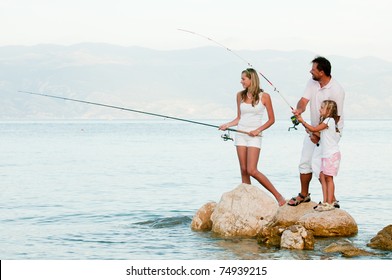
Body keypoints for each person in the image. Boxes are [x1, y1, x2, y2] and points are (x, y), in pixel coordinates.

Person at [219, 68, 286, 206]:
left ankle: (278, 196)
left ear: (251, 79)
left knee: (252, 170)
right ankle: (247, 200)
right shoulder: (239, 95)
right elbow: (239, 118)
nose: (241, 81)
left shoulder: (264, 96)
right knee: (243, 170)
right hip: (241, 134)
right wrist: (227, 125)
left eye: (243, 79)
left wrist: (257, 130)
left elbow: (271, 120)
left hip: (255, 136)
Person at [288, 56, 345, 207]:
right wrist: (300, 110)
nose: (310, 71)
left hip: (329, 134)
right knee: (305, 162)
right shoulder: (312, 82)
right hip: (313, 129)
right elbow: (303, 100)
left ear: (321, 72)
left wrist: (318, 135)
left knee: (321, 166)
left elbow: (336, 117)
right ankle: (304, 195)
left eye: (313, 69)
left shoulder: (337, 90)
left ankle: (330, 200)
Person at [296, 100, 341, 211]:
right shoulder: (326, 122)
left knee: (329, 179)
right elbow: (318, 134)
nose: (319, 109)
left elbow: (315, 129)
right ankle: (325, 201)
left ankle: (330, 202)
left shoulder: (329, 120)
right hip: (325, 155)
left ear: (329, 110)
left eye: (322, 108)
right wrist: (310, 132)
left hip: (331, 155)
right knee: (322, 176)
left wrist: (302, 121)